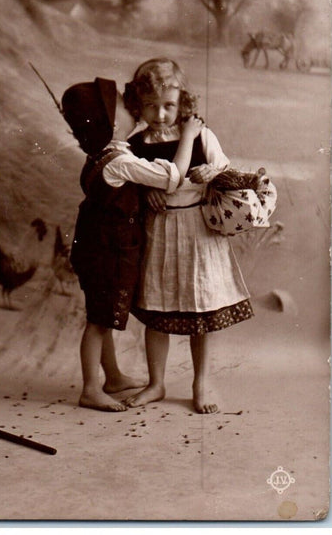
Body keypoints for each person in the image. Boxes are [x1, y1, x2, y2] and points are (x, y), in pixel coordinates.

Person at [61, 77, 202, 412]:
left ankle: (111, 377)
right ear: (111, 124)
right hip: (108, 252)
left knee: (100, 316)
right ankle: (90, 389)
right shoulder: (120, 161)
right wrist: (190, 137)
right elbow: (172, 178)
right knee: (97, 323)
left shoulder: (103, 154)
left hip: (93, 247)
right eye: (126, 107)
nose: (134, 109)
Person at [123, 58, 253, 414]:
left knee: (201, 307)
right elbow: (128, 179)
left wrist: (210, 173)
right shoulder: (137, 142)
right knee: (156, 307)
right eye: (151, 106)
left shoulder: (198, 134)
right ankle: (156, 382)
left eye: (168, 105)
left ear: (183, 103)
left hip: (198, 231)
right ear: (138, 104)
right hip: (161, 231)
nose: (161, 114)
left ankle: (201, 382)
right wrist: (143, 192)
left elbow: (225, 167)